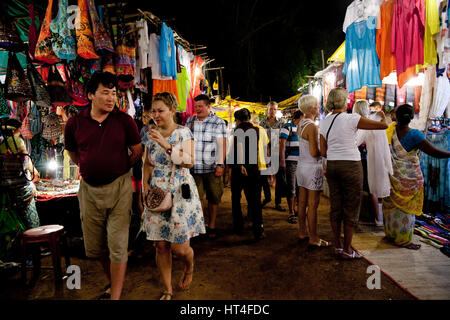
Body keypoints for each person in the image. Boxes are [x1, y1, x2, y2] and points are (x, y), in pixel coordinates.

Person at [64, 72, 143, 300]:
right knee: (95, 247)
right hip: (88, 190)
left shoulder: (124, 121)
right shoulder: (74, 123)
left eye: (114, 93)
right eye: (105, 93)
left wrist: (119, 167)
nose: (111, 98)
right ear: (90, 95)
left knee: (118, 244)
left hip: (119, 188)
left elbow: (137, 151)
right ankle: (113, 282)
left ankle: (115, 296)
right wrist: (90, 167)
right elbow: (73, 153)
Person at [141, 92, 205, 300]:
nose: (156, 115)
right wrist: (144, 188)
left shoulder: (184, 133)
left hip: (180, 190)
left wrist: (166, 145)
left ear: (172, 111)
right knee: (161, 245)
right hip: (157, 191)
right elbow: (147, 163)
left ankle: (189, 265)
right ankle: (167, 289)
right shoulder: (149, 134)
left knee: (180, 248)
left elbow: (188, 162)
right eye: (154, 111)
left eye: (161, 111)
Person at [319, 88, 388, 259]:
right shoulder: (352, 118)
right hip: (351, 165)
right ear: (345, 102)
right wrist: (383, 115)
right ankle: (348, 250)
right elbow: (383, 126)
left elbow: (323, 151)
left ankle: (338, 246)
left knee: (336, 206)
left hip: (333, 166)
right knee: (351, 207)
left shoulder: (324, 122)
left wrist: (336, 154)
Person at [383, 104, 450, 250]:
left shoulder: (389, 131)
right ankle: (404, 240)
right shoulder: (415, 134)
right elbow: (433, 151)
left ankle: (391, 234)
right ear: (412, 117)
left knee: (393, 207)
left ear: (396, 116)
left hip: (393, 177)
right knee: (406, 211)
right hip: (410, 179)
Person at [185, 94, 227, 239]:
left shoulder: (218, 122)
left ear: (208, 106)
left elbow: (222, 144)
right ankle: (199, 225)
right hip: (194, 168)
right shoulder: (190, 121)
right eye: (195, 106)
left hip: (211, 167)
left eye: (200, 106)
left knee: (214, 197)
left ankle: (212, 225)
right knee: (196, 198)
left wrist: (220, 164)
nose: (197, 109)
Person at [295, 95, 330, 247]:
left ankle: (303, 232)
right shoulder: (312, 126)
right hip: (312, 167)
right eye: (316, 105)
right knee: (313, 204)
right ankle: (314, 237)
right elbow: (314, 152)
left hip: (301, 166)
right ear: (311, 109)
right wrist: (325, 148)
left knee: (302, 202)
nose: (319, 107)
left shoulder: (301, 123)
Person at [353, 100, 392, 227]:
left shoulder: (356, 122)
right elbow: (384, 126)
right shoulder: (368, 122)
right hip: (368, 160)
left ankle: (371, 218)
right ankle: (378, 218)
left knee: (369, 189)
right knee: (373, 189)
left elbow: (356, 142)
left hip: (360, 160)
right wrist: (382, 118)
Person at [229, 108, 264, 240]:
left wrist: (241, 164)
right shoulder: (256, 130)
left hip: (240, 167)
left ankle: (238, 226)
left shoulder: (237, 130)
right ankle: (258, 228)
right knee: (255, 199)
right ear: (249, 117)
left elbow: (238, 146)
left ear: (237, 119)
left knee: (236, 198)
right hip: (253, 167)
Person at [0, 117, 40, 229]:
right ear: (15, 129)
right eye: (20, 128)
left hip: (6, 191)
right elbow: (26, 165)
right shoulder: (17, 141)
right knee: (32, 225)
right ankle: (36, 242)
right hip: (21, 190)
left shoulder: (1, 142)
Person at [259, 101, 285, 210]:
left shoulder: (281, 123)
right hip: (264, 153)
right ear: (267, 109)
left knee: (278, 177)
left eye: (274, 109)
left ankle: (278, 202)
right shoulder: (262, 123)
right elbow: (260, 138)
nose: (272, 111)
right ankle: (268, 197)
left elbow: (282, 139)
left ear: (277, 110)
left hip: (276, 152)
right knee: (263, 177)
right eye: (271, 109)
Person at [280, 110, 303, 223]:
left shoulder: (304, 128)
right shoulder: (287, 126)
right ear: (300, 117)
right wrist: (282, 160)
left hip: (302, 162)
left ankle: (297, 209)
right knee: (292, 187)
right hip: (291, 161)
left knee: (299, 187)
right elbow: (282, 143)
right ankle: (291, 212)